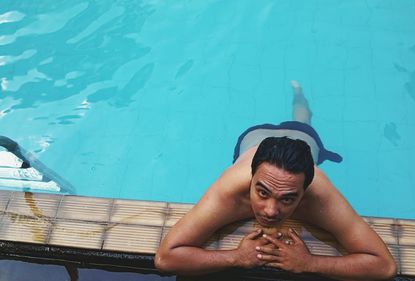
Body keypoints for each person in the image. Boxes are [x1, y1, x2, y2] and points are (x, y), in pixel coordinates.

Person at [155, 81, 397, 280]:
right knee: (299, 122)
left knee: (303, 119)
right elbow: (166, 259)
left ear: (305, 192)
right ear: (251, 179)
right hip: (253, 138)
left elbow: (384, 266)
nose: (270, 211)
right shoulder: (229, 191)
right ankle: (297, 94)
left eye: (288, 199)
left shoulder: (320, 196)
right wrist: (237, 257)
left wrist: (310, 263)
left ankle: (298, 92)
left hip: (304, 138)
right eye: (262, 192)